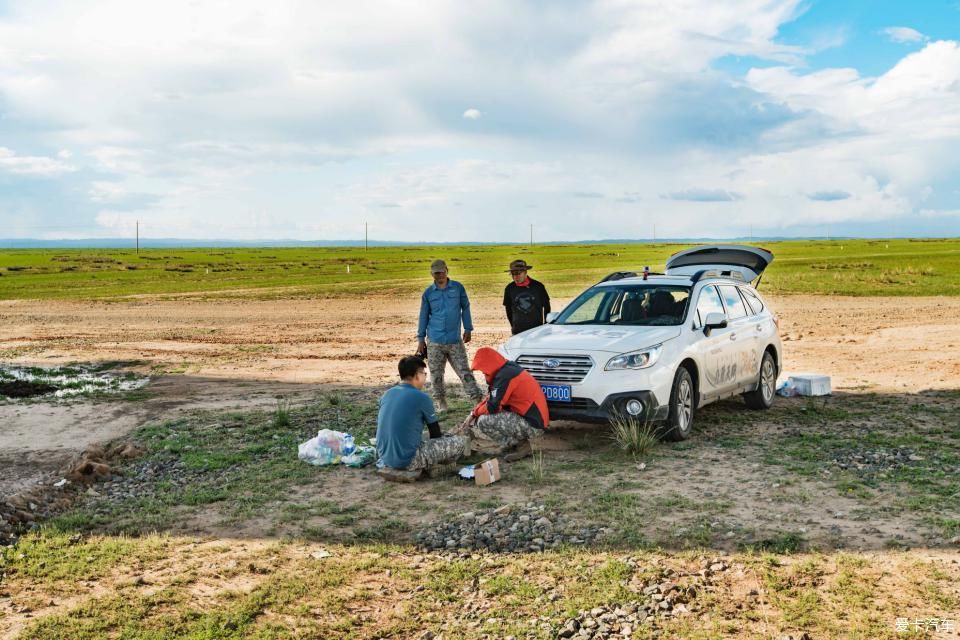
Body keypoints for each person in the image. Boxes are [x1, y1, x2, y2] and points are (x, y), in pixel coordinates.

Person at [376, 356, 470, 472]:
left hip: (384, 457)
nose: (425, 377)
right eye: (424, 374)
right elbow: (435, 434)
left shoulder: (387, 394)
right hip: (408, 460)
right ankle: (439, 467)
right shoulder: (422, 397)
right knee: (459, 442)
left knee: (423, 435)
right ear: (417, 375)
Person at [417, 259, 484, 411]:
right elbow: (423, 316)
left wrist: (468, 328)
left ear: (447, 271)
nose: (439, 275)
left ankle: (477, 400)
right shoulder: (428, 293)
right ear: (432, 274)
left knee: (464, 371)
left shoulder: (458, 288)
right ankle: (441, 403)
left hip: (455, 340)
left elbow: (465, 308)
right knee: (436, 374)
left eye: (442, 272)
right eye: (436, 273)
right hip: (435, 341)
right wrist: (421, 339)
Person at [460, 347, 549, 461]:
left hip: (533, 424)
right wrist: (473, 413)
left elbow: (492, 407)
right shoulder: (506, 370)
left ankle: (520, 446)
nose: (483, 373)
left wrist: (476, 414)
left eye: (483, 370)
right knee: (481, 416)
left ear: (489, 364)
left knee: (483, 421)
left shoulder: (504, 377)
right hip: (532, 418)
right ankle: (514, 446)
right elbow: (491, 398)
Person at [502, 259, 551, 335]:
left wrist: (545, 325)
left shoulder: (538, 287)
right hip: (517, 331)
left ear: (525, 272)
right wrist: (513, 326)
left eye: (518, 273)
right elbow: (508, 309)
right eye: (513, 274)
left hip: (536, 329)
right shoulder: (509, 288)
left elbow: (547, 307)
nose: (515, 277)